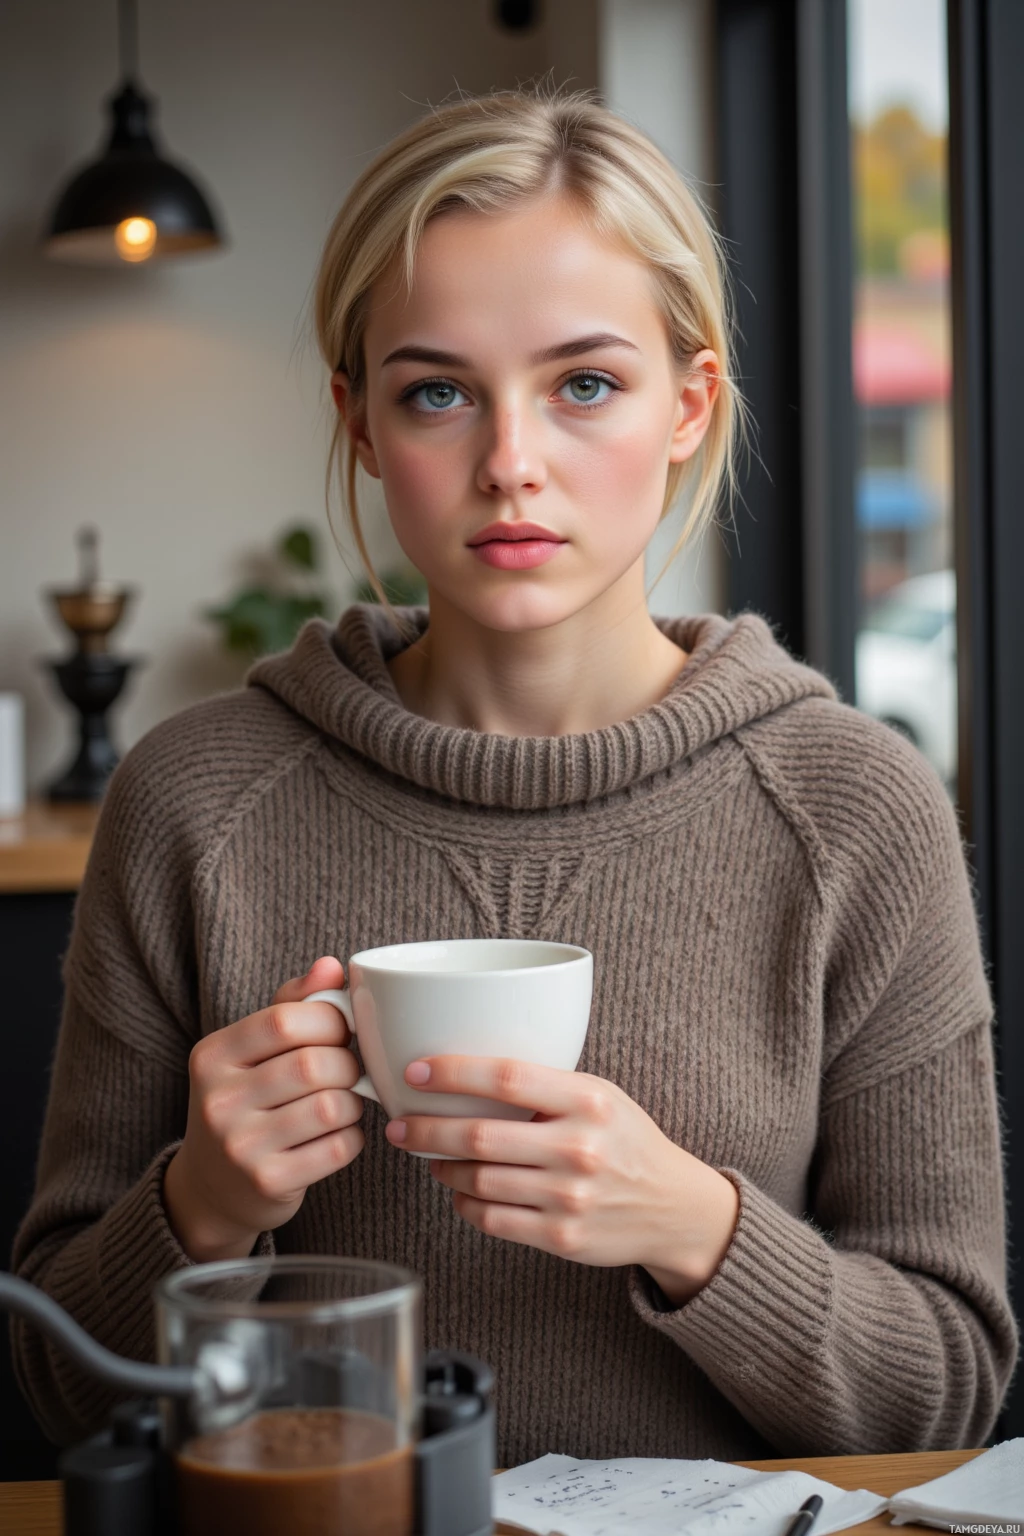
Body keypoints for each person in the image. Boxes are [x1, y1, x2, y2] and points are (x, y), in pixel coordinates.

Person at [11, 82, 1017, 1468]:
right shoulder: (193, 802)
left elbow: (948, 1397)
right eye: (438, 393)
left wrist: (694, 1229)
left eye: (586, 384)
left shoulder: (857, 812)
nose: (511, 464)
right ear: (360, 422)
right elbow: (58, 1392)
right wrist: (201, 1201)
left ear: (689, 403)